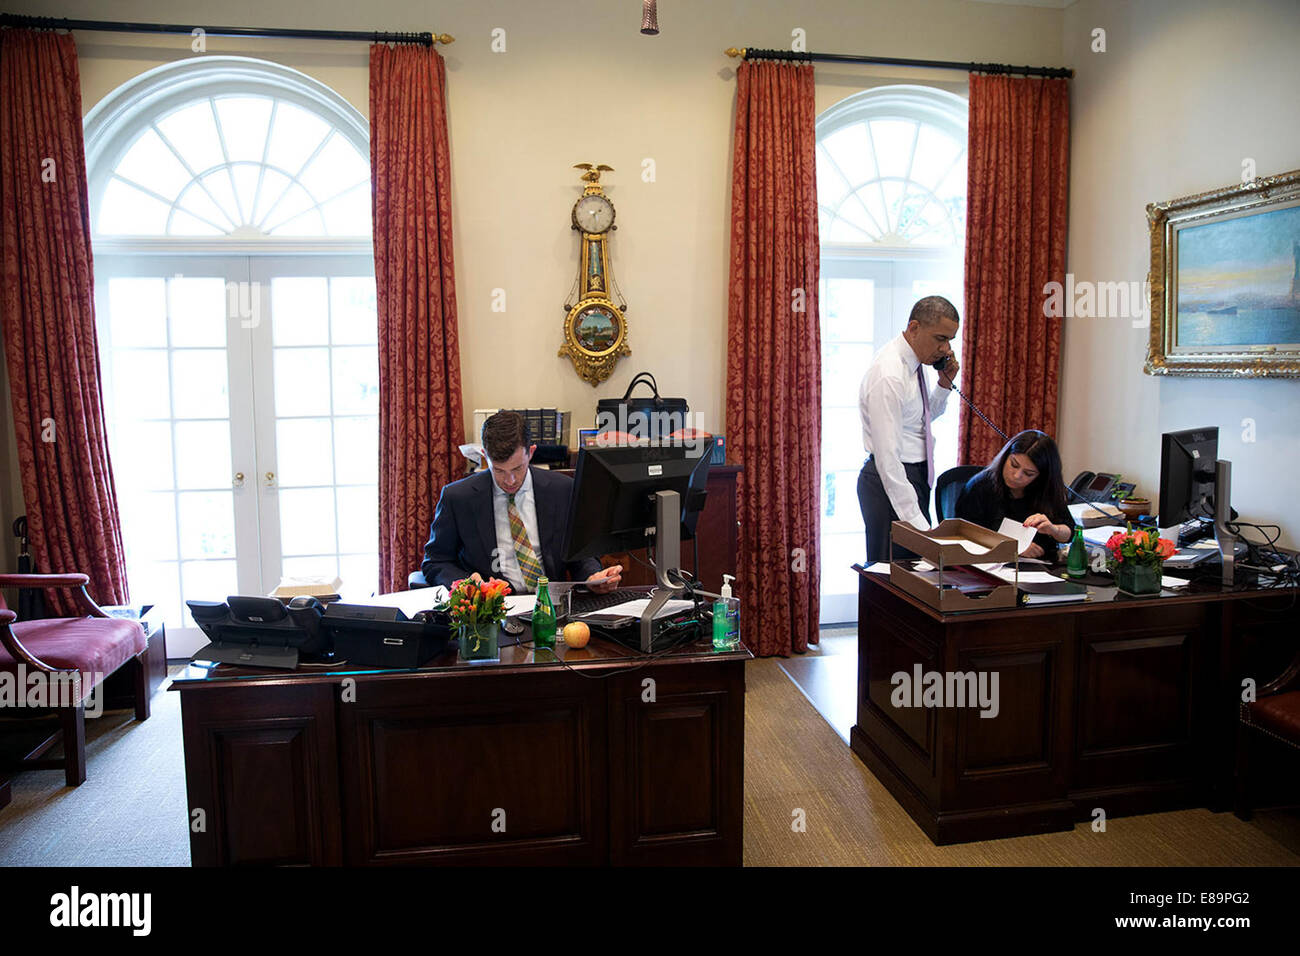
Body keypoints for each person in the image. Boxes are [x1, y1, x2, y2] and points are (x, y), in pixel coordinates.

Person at [421, 411, 623, 593]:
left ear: (531, 452)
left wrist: (592, 577)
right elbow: (436, 562)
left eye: (518, 468)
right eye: (499, 470)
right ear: (484, 457)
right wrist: (466, 583)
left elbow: (580, 554)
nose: (510, 481)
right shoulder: (458, 497)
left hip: (549, 607)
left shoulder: (562, 490)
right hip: (492, 611)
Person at [857, 295, 961, 563]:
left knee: (913, 577)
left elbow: (922, 420)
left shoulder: (916, 363)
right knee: (891, 581)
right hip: (890, 481)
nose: (946, 349)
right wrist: (919, 524)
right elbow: (888, 457)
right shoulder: (889, 373)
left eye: (950, 340)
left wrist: (944, 385)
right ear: (914, 328)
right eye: (940, 338)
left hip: (912, 479)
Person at [955, 429, 1073, 561]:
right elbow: (964, 534)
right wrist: (1013, 548)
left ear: (1042, 476)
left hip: (1040, 566)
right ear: (1005, 457)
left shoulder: (1046, 490)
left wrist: (1054, 530)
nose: (1017, 476)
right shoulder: (980, 486)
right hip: (992, 565)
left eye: (1028, 474)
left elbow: (1070, 533)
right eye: (1014, 465)